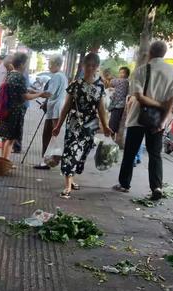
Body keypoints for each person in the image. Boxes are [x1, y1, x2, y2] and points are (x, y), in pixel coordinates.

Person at [114, 41, 173, 200]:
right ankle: (156, 187)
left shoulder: (141, 70)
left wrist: (157, 104)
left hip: (138, 118)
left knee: (130, 152)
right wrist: (163, 121)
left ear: (150, 52)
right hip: (158, 121)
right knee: (155, 154)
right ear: (164, 54)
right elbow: (172, 101)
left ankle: (124, 184)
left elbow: (139, 97)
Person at [52, 53, 113, 199]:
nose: (90, 68)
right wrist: (58, 125)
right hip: (74, 123)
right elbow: (66, 106)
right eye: (88, 65)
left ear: (97, 67)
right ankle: (67, 185)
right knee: (70, 152)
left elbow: (101, 108)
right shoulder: (76, 84)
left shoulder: (100, 86)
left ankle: (72, 180)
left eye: (93, 66)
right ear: (83, 66)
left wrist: (105, 126)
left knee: (81, 154)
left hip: (90, 126)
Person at [0, 53, 50, 160]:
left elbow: (23, 90)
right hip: (15, 112)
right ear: (21, 64)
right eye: (26, 63)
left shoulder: (10, 74)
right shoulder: (20, 77)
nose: (26, 65)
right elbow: (25, 95)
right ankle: (5, 160)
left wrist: (36, 91)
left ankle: (2, 158)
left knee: (4, 137)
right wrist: (39, 94)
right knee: (11, 138)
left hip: (7, 110)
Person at [34, 54, 68, 169]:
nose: (49, 67)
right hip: (56, 108)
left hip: (55, 109)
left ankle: (48, 161)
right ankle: (51, 159)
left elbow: (50, 93)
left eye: (50, 64)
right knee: (52, 135)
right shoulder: (63, 76)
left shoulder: (56, 76)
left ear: (57, 65)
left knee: (49, 135)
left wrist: (35, 93)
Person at [108, 66, 130, 144]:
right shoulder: (127, 82)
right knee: (116, 123)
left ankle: (110, 141)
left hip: (118, 105)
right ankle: (114, 140)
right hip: (121, 105)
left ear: (127, 75)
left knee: (112, 124)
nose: (121, 74)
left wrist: (110, 77)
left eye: (123, 73)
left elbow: (111, 82)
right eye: (120, 73)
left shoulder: (123, 81)